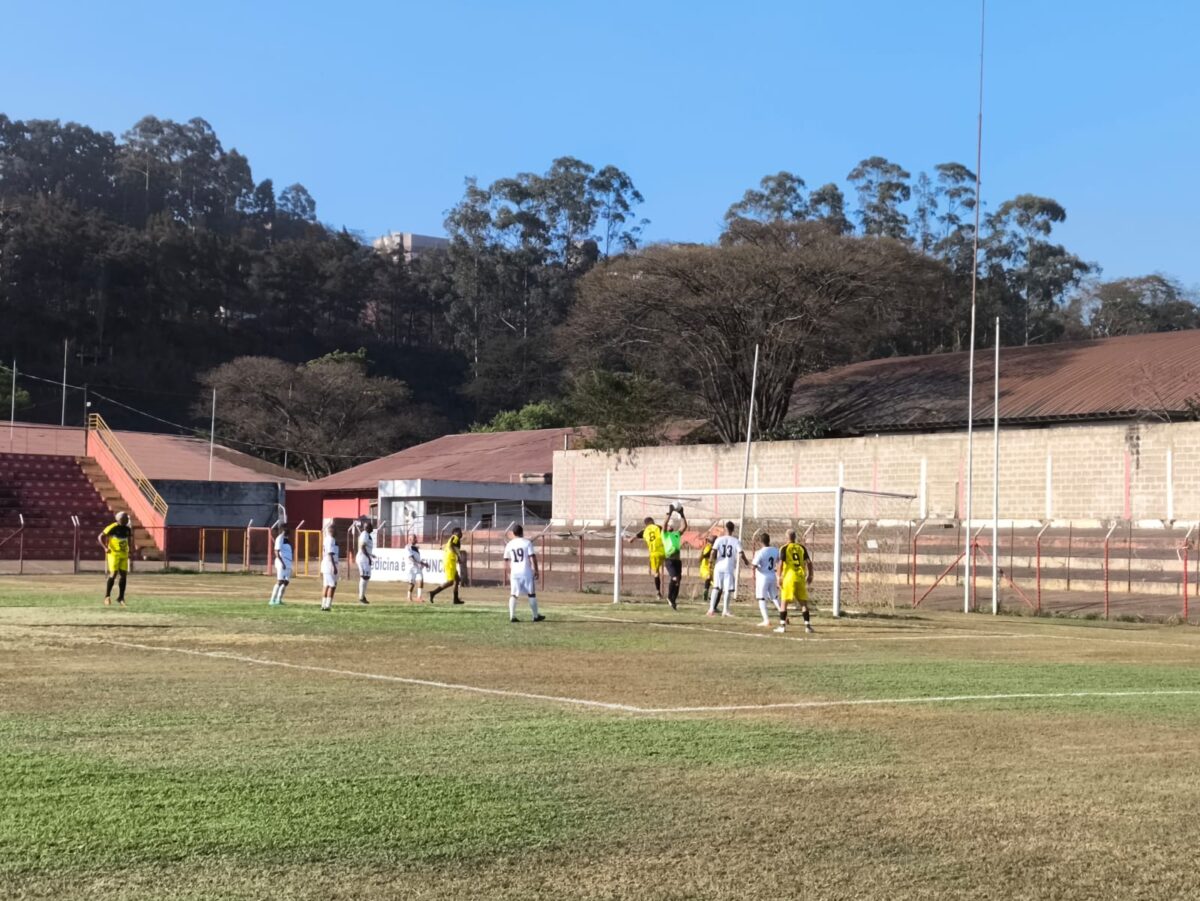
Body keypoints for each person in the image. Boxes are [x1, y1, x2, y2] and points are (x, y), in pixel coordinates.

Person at [707, 521, 750, 617]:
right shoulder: (735, 541)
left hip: (718, 567)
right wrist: (746, 561)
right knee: (727, 590)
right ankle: (725, 610)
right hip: (728, 567)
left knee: (716, 588)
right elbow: (741, 553)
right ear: (733, 529)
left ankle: (711, 610)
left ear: (725, 529)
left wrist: (710, 563)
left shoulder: (719, 539)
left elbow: (713, 552)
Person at [776, 529, 816, 634]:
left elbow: (780, 563)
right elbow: (809, 562)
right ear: (795, 537)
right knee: (803, 603)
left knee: (784, 602)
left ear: (786, 537)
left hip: (789, 577)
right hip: (800, 577)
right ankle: (807, 626)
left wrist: (779, 577)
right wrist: (810, 575)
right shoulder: (802, 547)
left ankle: (782, 626)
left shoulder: (784, 548)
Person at [503, 524, 544, 623]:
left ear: (513, 533)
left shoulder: (509, 544)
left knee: (513, 594)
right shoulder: (527, 543)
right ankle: (535, 616)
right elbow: (532, 557)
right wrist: (536, 570)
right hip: (526, 571)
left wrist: (508, 572)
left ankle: (512, 616)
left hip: (515, 572)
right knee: (531, 594)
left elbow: (506, 560)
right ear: (522, 532)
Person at [98, 511, 133, 607]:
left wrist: (130, 549)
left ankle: (121, 598)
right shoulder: (112, 527)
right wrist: (105, 548)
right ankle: (107, 596)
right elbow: (100, 536)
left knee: (124, 575)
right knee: (113, 574)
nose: (127, 520)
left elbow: (128, 539)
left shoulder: (127, 529)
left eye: (127, 518)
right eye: (125, 518)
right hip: (113, 554)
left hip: (124, 554)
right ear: (119, 519)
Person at [629, 516, 666, 599]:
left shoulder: (644, 531)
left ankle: (658, 593)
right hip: (664, 551)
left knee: (656, 573)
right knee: (670, 569)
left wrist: (630, 539)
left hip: (654, 553)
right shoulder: (658, 527)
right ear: (652, 521)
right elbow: (667, 529)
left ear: (645, 524)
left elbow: (633, 538)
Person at [660, 504, 688, 610]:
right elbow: (664, 523)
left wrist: (682, 514)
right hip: (669, 560)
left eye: (671, 525)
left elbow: (684, 526)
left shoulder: (676, 534)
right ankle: (669, 597)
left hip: (677, 560)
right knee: (674, 578)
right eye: (668, 525)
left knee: (678, 580)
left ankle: (673, 600)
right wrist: (669, 512)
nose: (669, 526)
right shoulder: (665, 534)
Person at [427, 527, 464, 604]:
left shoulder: (452, 538)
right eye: (460, 532)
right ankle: (433, 592)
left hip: (450, 560)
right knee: (450, 582)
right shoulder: (455, 537)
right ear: (455, 533)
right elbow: (451, 546)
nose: (461, 534)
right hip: (450, 561)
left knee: (457, 579)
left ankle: (455, 599)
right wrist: (457, 556)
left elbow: (448, 547)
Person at [751, 533, 781, 627]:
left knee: (761, 598)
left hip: (762, 577)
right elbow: (779, 562)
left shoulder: (760, 552)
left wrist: (753, 574)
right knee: (774, 597)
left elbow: (754, 565)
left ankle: (766, 620)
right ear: (769, 540)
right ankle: (783, 613)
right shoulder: (775, 550)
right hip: (772, 575)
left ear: (760, 542)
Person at [269, 526, 292, 606]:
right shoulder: (279, 538)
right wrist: (282, 563)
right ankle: (272, 600)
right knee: (280, 581)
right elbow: (276, 552)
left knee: (286, 582)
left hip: (288, 562)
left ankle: (279, 600)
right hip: (282, 562)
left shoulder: (286, 539)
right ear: (283, 530)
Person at [319, 520, 339, 611]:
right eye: (336, 530)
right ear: (333, 531)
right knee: (332, 585)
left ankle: (323, 605)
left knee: (326, 585)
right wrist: (334, 567)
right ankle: (327, 606)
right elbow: (330, 553)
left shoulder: (326, 539)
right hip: (330, 564)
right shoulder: (331, 539)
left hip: (326, 564)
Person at [355, 520, 375, 605]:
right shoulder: (364, 534)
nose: (372, 528)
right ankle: (361, 597)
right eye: (371, 526)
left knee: (367, 576)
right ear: (367, 527)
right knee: (364, 576)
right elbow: (362, 547)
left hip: (365, 557)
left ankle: (362, 596)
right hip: (362, 558)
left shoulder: (367, 535)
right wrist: (368, 557)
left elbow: (365, 547)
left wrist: (371, 555)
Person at [406, 536, 424, 603]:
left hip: (417, 567)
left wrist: (424, 564)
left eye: (416, 538)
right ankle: (409, 596)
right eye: (414, 538)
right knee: (412, 583)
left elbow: (418, 559)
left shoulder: (416, 548)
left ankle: (419, 597)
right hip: (411, 568)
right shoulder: (407, 547)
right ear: (410, 539)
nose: (416, 540)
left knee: (421, 580)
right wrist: (417, 563)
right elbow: (410, 557)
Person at [698, 532, 714, 602]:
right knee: (708, 577)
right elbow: (703, 556)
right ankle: (706, 592)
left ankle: (712, 597)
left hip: (712, 569)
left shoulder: (715, 548)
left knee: (717, 585)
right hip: (704, 568)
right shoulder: (708, 547)